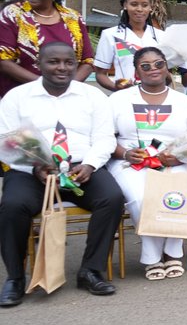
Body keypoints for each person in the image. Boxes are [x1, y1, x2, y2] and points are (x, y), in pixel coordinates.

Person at [0, 43, 122, 306]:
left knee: (111, 198)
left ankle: (90, 270)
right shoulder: (16, 97)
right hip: (32, 169)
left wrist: (89, 165)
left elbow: (104, 139)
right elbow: (7, 140)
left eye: (68, 62)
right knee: (12, 206)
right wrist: (35, 165)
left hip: (80, 167)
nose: (62, 68)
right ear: (39, 64)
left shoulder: (93, 97)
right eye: (53, 62)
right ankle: (16, 278)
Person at [107, 46, 187, 280]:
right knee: (142, 198)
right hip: (131, 162)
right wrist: (125, 154)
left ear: (167, 67)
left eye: (159, 64)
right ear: (136, 71)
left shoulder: (184, 101)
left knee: (177, 195)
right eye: (146, 66)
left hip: (175, 160)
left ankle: (172, 253)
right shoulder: (118, 99)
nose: (153, 69)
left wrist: (182, 155)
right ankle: (152, 257)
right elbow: (105, 139)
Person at [0, 0, 95, 97]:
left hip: (66, 98)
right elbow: (4, 61)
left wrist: (66, 89)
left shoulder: (73, 18)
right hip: (22, 96)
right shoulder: (13, 14)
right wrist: (45, 87)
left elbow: (88, 61)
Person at [93, 0, 162, 91]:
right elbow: (100, 75)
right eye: (134, 4)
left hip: (154, 99)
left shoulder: (161, 36)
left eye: (144, 5)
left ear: (150, 7)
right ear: (125, 5)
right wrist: (118, 89)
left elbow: (166, 74)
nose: (139, 9)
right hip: (124, 100)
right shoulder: (110, 35)